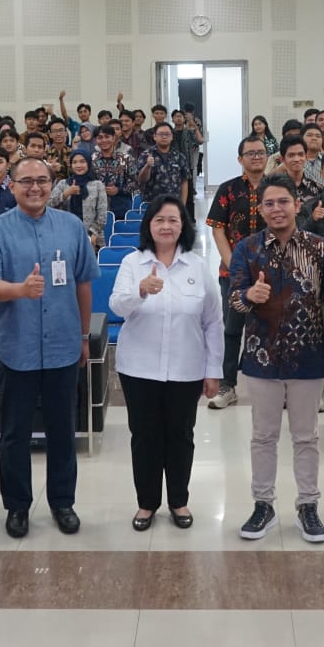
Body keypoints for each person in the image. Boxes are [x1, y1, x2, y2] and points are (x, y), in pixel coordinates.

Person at [0, 158, 98, 539]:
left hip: (63, 344)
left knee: (63, 430)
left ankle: (63, 502)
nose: (35, 187)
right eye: (26, 181)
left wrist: (83, 336)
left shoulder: (72, 226)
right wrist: (21, 290)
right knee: (15, 433)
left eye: (42, 180)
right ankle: (17, 506)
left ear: (52, 184)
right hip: (18, 347)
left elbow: (83, 284)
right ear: (12, 186)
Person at [227, 174, 324, 544]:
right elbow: (234, 299)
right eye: (269, 203)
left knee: (306, 436)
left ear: (297, 204)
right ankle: (263, 504)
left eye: (283, 202)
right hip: (262, 358)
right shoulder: (247, 249)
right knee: (263, 436)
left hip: (309, 357)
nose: (276, 209)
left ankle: (308, 505)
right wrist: (250, 295)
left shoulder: (320, 248)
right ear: (260, 209)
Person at [109, 196, 223, 531]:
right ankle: (146, 503)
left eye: (173, 220)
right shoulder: (133, 263)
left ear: (183, 226)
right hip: (139, 368)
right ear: (149, 225)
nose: (166, 226)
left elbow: (213, 322)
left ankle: (178, 500)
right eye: (159, 220)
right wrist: (140, 290)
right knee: (144, 436)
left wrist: (213, 371)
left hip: (186, 368)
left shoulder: (197, 267)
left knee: (180, 435)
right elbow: (116, 305)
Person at [205, 136, 270, 409]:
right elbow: (217, 228)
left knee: (271, 328)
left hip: (271, 272)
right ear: (240, 159)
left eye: (261, 152)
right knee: (232, 329)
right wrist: (232, 264)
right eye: (250, 153)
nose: (256, 157)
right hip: (233, 272)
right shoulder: (228, 189)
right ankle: (228, 385)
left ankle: (272, 386)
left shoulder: (277, 187)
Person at [50, 147, 107, 247]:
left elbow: (102, 215)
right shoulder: (63, 184)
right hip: (66, 235)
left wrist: (92, 234)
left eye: (82, 161)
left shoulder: (98, 185)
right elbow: (48, 204)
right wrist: (65, 194)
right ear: (71, 165)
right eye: (75, 162)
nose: (78, 165)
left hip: (93, 238)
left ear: (88, 163)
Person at [137, 122, 192, 205]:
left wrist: (182, 205)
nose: (164, 137)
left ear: (172, 137)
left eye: (167, 134)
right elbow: (141, 179)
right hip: (151, 204)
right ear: (155, 136)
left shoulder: (179, 156)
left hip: (173, 204)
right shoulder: (146, 155)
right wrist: (147, 166)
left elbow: (184, 182)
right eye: (161, 134)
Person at [91, 124, 137, 220]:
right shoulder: (91, 159)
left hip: (122, 210)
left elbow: (135, 184)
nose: (104, 140)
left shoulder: (126, 159)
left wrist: (118, 190)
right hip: (96, 210)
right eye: (100, 138)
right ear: (95, 140)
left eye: (107, 137)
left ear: (114, 138)